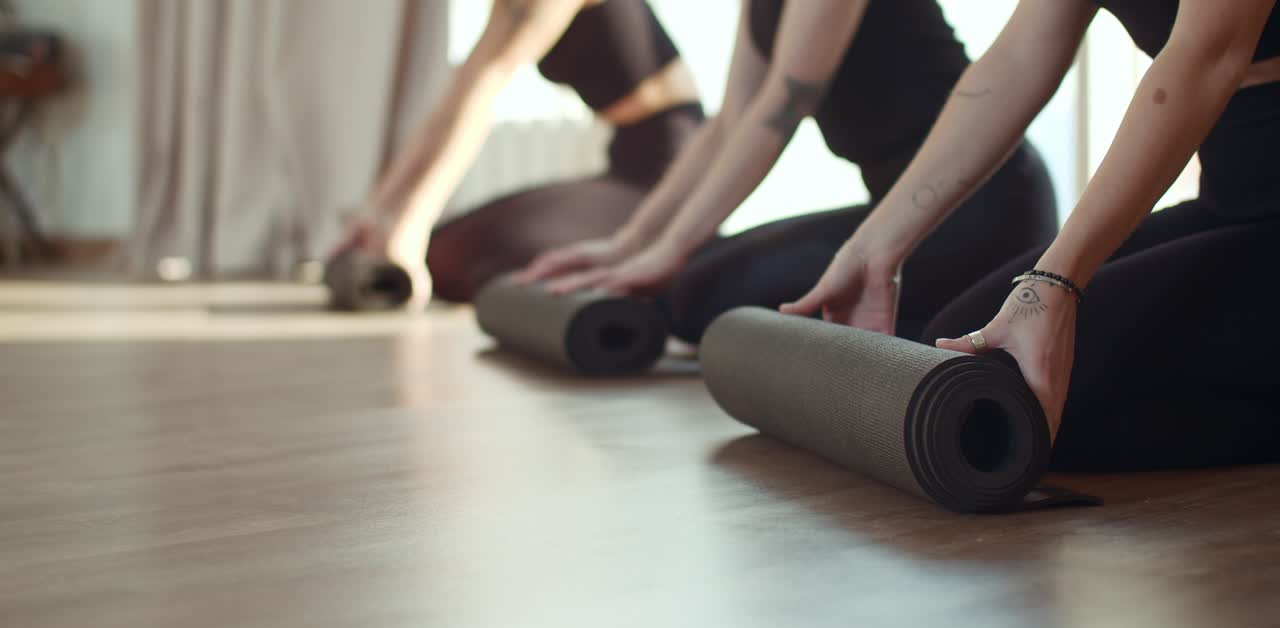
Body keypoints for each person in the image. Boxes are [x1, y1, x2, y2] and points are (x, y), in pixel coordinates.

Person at [784, 0, 1280, 471]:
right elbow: (1018, 57)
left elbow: (1206, 55)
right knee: (965, 378)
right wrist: (874, 247)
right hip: (1231, 202)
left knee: (994, 421)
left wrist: (1053, 282)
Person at [520, 0, 1059, 345]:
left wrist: (670, 249)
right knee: (686, 282)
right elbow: (731, 120)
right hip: (890, 214)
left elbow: (781, 108)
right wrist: (632, 242)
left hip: (980, 210)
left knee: (692, 297)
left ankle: (950, 325)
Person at [334, 0, 704, 306]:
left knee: (448, 259)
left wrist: (409, 223)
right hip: (627, 166)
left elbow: (483, 85)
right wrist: (376, 212)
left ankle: (685, 264)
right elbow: (453, 97)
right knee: (443, 251)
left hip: (672, 175)